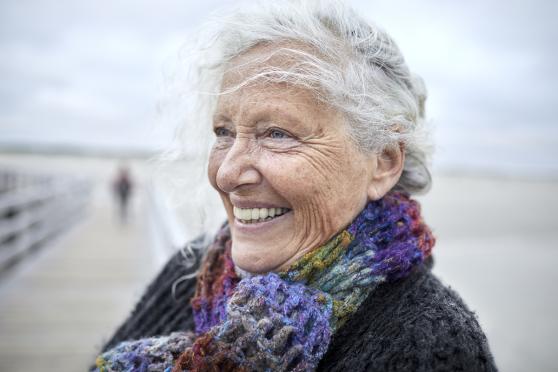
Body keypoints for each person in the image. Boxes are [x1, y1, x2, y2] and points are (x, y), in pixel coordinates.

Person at [95, 1, 497, 371]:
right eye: (223, 132)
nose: (227, 174)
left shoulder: (429, 345)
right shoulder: (192, 269)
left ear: (384, 162)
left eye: (278, 133)